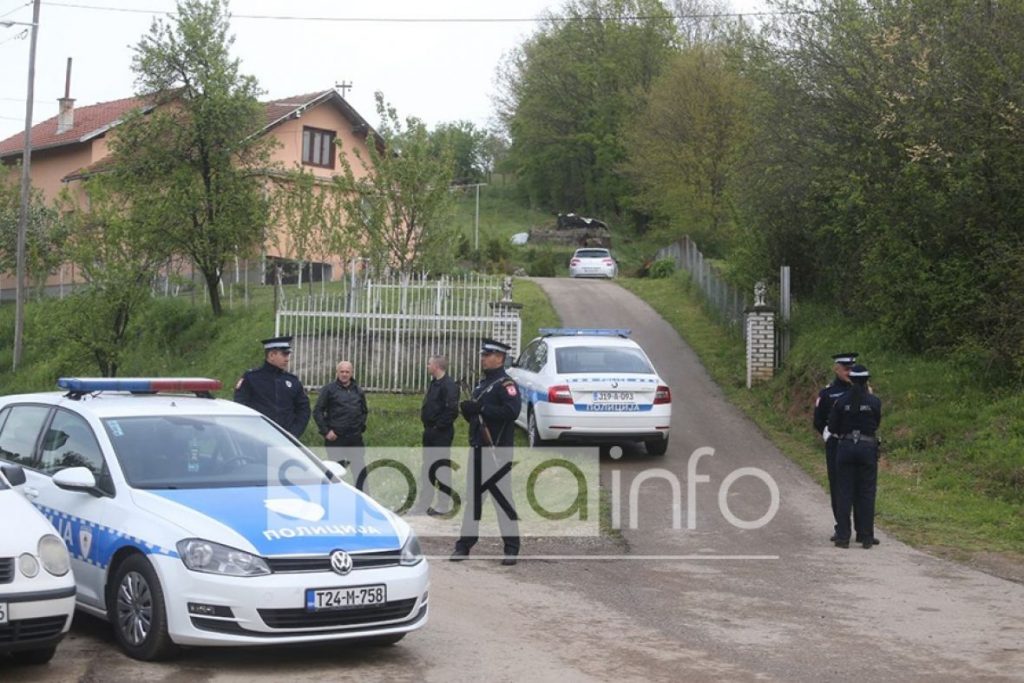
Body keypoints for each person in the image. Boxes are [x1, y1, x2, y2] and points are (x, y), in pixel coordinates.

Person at [450, 339, 522, 566]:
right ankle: (464, 545)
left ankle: (511, 548)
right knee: (473, 500)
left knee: (502, 500)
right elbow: (477, 419)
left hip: (498, 451)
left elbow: (512, 411)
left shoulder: (505, 384)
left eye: (487, 354)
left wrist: (482, 408)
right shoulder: (481, 386)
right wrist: (469, 411)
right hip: (479, 450)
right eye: (483, 354)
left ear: (499, 357)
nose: (483, 358)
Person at [813, 352, 868, 543]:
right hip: (837, 444)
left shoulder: (863, 390)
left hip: (859, 443)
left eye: (852, 368)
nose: (849, 371)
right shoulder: (827, 393)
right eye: (845, 368)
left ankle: (863, 531)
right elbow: (818, 420)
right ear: (836, 369)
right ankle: (842, 529)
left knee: (861, 487)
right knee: (839, 487)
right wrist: (828, 436)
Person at [827, 364, 883, 549]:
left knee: (844, 492)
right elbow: (876, 423)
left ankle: (843, 536)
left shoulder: (841, 401)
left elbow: (833, 427)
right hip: (867, 448)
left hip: (846, 448)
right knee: (866, 492)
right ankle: (866, 536)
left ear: (851, 379)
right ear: (867, 380)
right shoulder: (874, 401)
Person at [234, 335, 310, 439]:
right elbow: (240, 407)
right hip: (258, 439)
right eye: (284, 354)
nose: (287, 359)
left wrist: (294, 433)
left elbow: (303, 409)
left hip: (286, 440)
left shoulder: (292, 381)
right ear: (271, 355)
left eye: (288, 355)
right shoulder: (251, 378)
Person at [414, 354, 460, 516]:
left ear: (437, 366)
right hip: (429, 432)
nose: (427, 366)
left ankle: (443, 504)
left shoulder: (449, 385)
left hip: (441, 433)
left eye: (429, 363)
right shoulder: (434, 383)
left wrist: (438, 427)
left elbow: (452, 411)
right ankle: (423, 504)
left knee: (441, 468)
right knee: (427, 468)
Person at [313, 361, 369, 490]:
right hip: (335, 438)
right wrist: (326, 431)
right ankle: (336, 497)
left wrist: (360, 427)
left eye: (347, 372)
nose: (344, 374)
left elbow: (364, 411)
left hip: (355, 438)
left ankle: (364, 497)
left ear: (351, 373)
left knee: (359, 469)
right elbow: (317, 412)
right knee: (336, 471)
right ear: (337, 372)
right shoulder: (329, 389)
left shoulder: (358, 390)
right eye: (341, 371)